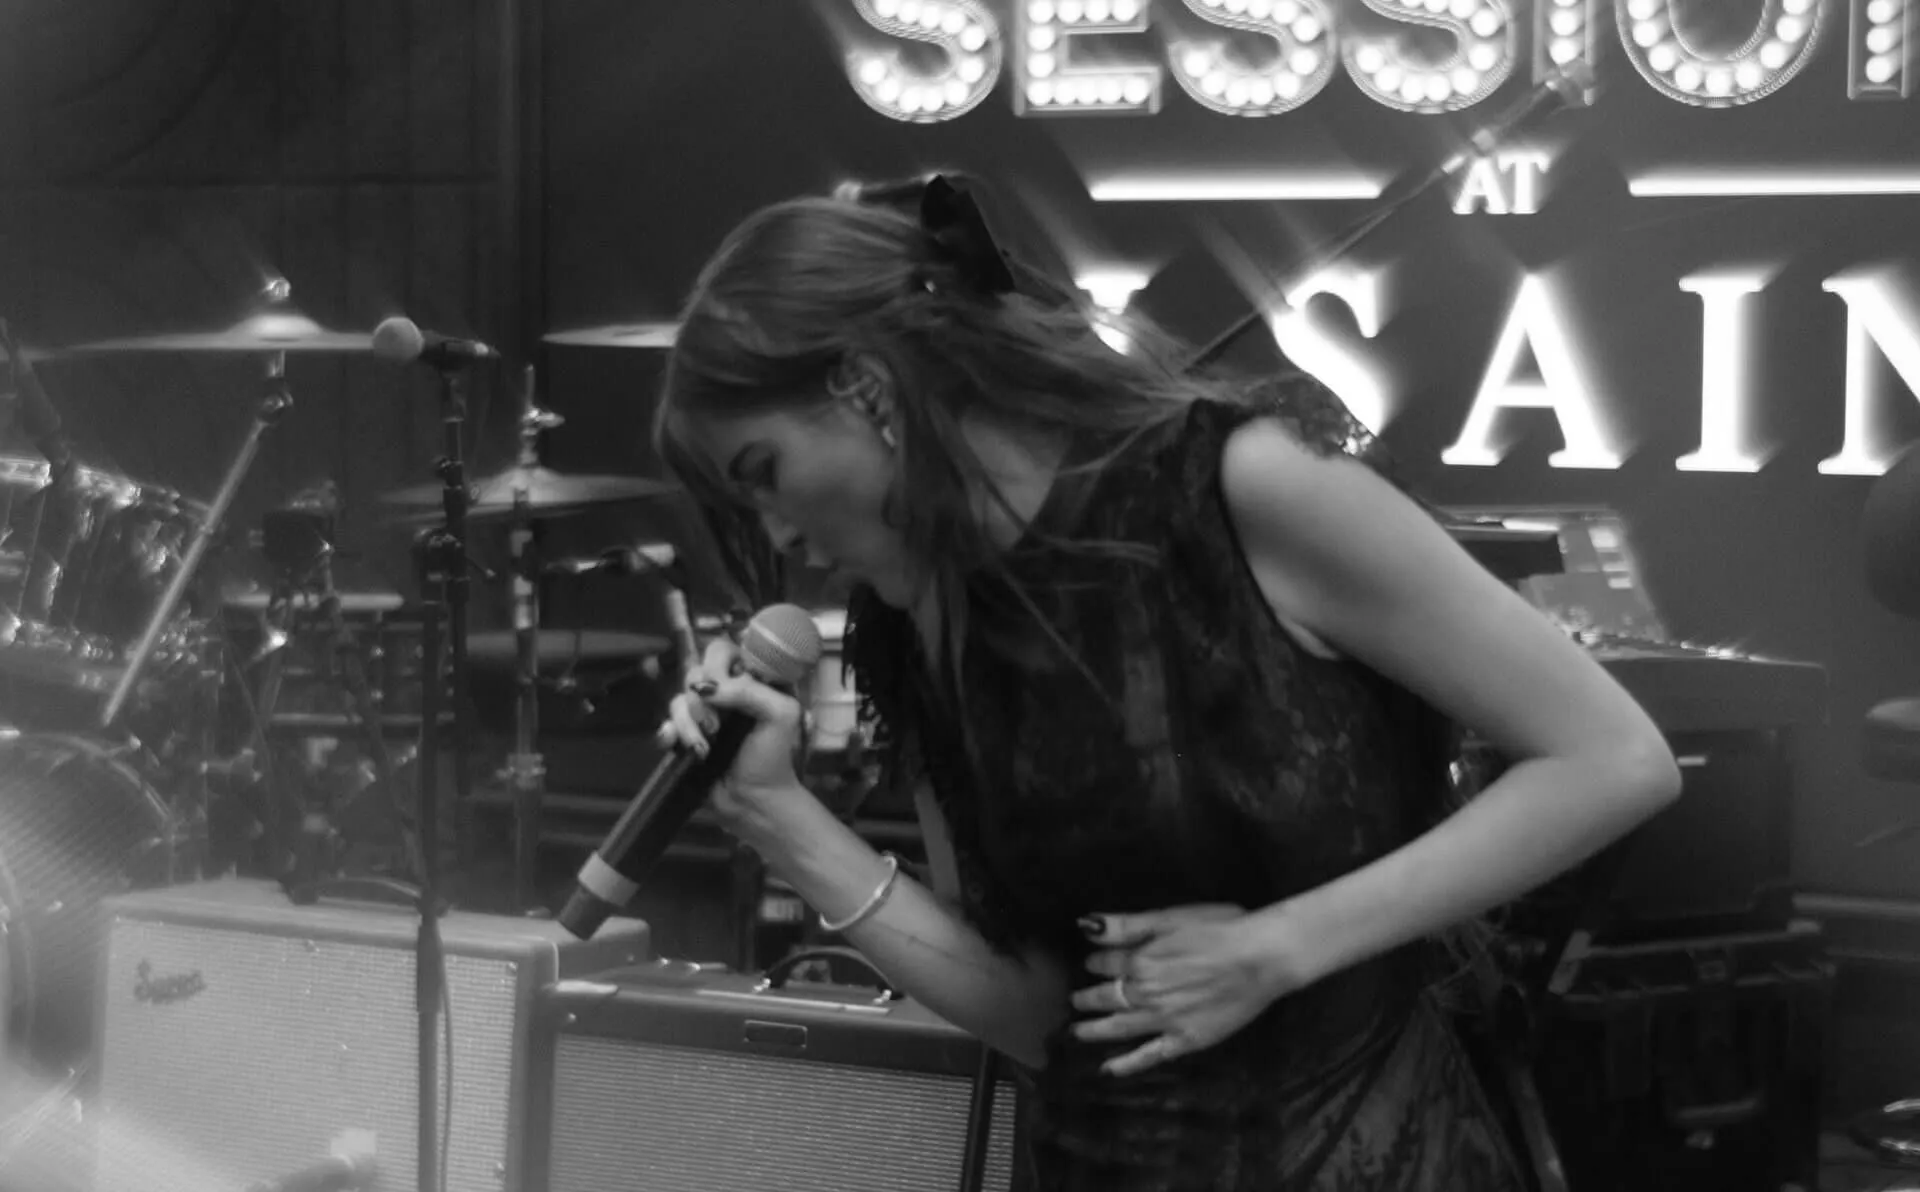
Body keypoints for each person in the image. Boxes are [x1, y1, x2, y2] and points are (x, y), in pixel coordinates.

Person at [652, 174, 1682, 1190]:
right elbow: (1034, 1015)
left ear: (867, 385)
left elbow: (1613, 758)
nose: (778, 537)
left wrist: (1280, 946)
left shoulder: (1240, 486)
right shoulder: (922, 617)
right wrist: (783, 819)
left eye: (763, 475)